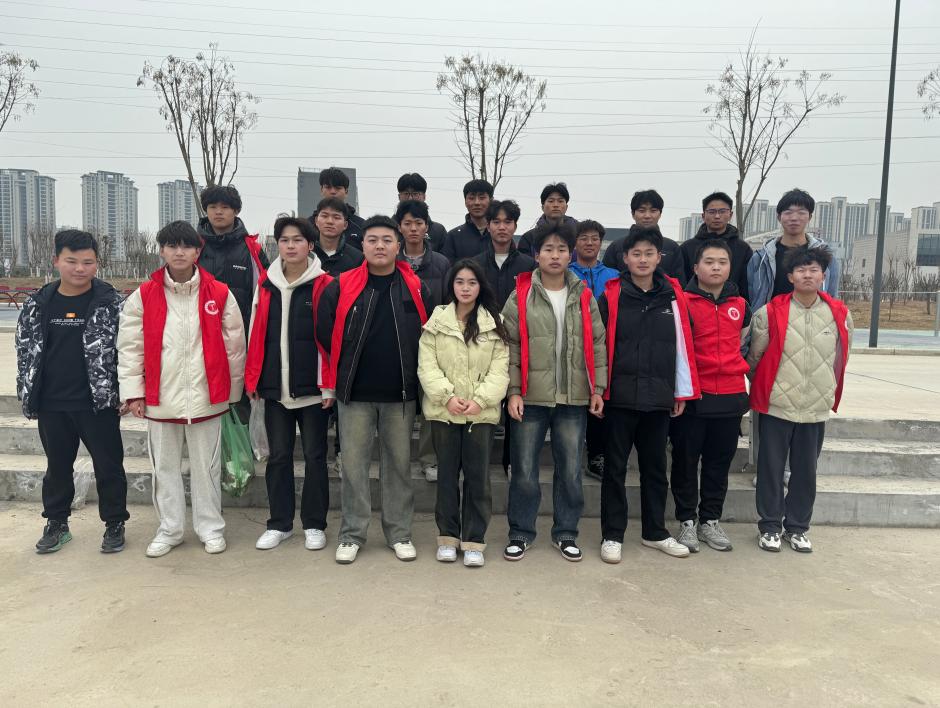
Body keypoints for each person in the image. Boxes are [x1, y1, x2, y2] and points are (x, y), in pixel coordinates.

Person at [118, 221, 246, 558]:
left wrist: (232, 393)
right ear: (161, 250)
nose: (179, 252)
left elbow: (235, 347)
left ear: (198, 251)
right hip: (161, 399)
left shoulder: (219, 293)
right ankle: (170, 530)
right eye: (171, 246)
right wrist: (134, 392)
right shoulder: (144, 295)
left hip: (207, 398)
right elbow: (130, 348)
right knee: (165, 470)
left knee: (208, 469)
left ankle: (210, 528)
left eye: (186, 246)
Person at [316, 215, 433, 565]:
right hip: (355, 394)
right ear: (362, 245)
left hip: (400, 395)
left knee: (398, 466)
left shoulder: (415, 287)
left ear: (399, 246)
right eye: (372, 240)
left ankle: (399, 533)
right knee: (353, 467)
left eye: (386, 240)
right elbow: (325, 333)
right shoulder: (341, 286)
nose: (379, 246)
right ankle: (352, 534)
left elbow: (428, 335)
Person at [16, 229, 129, 554]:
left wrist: (125, 392)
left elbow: (128, 351)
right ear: (56, 261)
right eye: (72, 261)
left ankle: (114, 523)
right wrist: (28, 391)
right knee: (57, 468)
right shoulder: (38, 304)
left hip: (97, 402)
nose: (80, 268)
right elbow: (25, 351)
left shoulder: (112, 303)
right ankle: (56, 523)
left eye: (87, 262)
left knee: (109, 466)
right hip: (52, 402)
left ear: (97, 263)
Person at [501, 219, 607, 563]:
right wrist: (513, 391)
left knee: (571, 471)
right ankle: (520, 531)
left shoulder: (584, 295)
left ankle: (566, 532)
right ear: (536, 255)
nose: (555, 255)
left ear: (570, 254)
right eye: (548, 249)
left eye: (562, 249)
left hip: (573, 398)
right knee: (524, 470)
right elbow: (509, 347)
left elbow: (598, 343)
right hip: (530, 397)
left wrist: (597, 388)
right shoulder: (520, 295)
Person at [597, 227, 700, 562]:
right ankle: (612, 534)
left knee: (655, 469)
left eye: (649, 253)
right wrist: (598, 389)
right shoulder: (612, 295)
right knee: (615, 469)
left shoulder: (674, 296)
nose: (642, 259)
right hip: (619, 397)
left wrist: (681, 391)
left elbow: (683, 346)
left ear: (659, 258)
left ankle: (654, 532)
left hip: (658, 397)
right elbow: (598, 346)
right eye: (636, 254)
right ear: (625, 258)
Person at [747, 247, 853, 553]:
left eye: (814, 270)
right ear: (790, 276)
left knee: (806, 472)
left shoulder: (840, 314)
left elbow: (841, 357)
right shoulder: (769, 313)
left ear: (824, 275)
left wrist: (826, 388)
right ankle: (769, 526)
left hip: (814, 407)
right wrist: (770, 389)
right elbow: (754, 358)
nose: (808, 275)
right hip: (777, 405)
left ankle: (797, 527)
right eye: (801, 270)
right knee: (770, 469)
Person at [244, 216, 334, 552]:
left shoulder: (325, 285)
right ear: (277, 245)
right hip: (275, 389)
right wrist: (253, 377)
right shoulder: (266, 284)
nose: (291, 246)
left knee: (314, 456)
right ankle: (279, 524)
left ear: (310, 245)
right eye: (284, 240)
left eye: (298, 240)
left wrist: (329, 385)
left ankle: (314, 524)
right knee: (278, 457)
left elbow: (332, 340)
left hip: (313, 390)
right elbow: (255, 333)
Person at [418, 259, 510, 567]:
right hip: (444, 412)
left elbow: (500, 369)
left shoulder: (493, 322)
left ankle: (474, 540)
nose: (466, 288)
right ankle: (447, 537)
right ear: (451, 285)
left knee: (477, 478)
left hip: (479, 416)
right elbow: (427, 365)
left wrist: (480, 400)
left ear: (480, 286)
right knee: (446, 476)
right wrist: (447, 397)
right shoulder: (437, 321)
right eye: (460, 282)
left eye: (472, 282)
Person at [745, 188, 842, 482]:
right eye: (788, 211)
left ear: (809, 216)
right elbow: (754, 295)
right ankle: (764, 466)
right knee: (765, 399)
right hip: (772, 330)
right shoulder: (763, 256)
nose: (794, 217)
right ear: (779, 216)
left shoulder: (825, 256)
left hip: (810, 331)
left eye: (801, 212)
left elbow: (832, 295)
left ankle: (792, 469)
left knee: (804, 399)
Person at [670, 239, 751, 553]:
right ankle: (687, 521)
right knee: (686, 462)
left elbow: (742, 343)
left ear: (730, 267)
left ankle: (710, 520)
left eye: (722, 262)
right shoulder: (682, 302)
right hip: (694, 394)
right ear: (695, 267)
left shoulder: (741, 306)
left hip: (730, 395)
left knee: (719, 463)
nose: (716, 267)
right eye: (709, 261)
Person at [473, 199, 536, 476]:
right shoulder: (475, 264)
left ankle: (511, 461)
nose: (502, 227)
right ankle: (477, 463)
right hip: (482, 343)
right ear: (487, 226)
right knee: (483, 401)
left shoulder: (529, 266)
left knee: (515, 401)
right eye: (496, 221)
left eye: (507, 222)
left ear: (515, 226)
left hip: (517, 343)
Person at [395, 199, 452, 483]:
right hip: (396, 342)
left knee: (431, 402)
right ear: (400, 227)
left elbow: (450, 304)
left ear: (427, 227)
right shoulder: (391, 261)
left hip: (433, 344)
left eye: (418, 223)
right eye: (407, 223)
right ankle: (398, 459)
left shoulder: (441, 263)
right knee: (399, 406)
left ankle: (430, 459)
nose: (413, 228)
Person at [569, 219, 619, 482]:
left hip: (605, 345)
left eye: (594, 238)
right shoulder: (565, 272)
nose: (589, 243)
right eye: (583, 238)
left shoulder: (614, 275)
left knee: (600, 400)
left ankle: (597, 455)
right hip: (572, 345)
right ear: (575, 243)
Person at [196, 184, 268, 338]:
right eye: (212, 207)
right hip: (201, 332)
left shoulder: (252, 249)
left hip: (242, 333)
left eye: (225, 207)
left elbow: (265, 292)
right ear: (206, 210)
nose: (218, 212)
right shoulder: (194, 248)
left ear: (236, 211)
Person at [677, 192, 753, 300]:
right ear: (703, 215)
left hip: (732, 305)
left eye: (722, 211)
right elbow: (681, 283)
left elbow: (747, 285)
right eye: (712, 212)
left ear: (730, 215)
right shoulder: (687, 247)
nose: (717, 216)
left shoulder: (743, 249)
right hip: (694, 304)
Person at [602, 189, 682, 279]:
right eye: (642, 211)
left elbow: (680, 283)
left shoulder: (672, 248)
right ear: (633, 214)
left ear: (660, 214)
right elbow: (606, 281)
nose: (647, 216)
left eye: (653, 211)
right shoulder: (616, 247)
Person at [517, 183, 579, 256]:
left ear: (566, 207)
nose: (556, 205)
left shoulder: (579, 235)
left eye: (560, 201)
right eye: (551, 201)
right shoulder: (529, 238)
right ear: (542, 207)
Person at [312, 196, 365, 277]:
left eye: (336, 217)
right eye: (325, 216)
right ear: (316, 221)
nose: (330, 221)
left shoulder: (357, 258)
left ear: (345, 225)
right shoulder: (306, 253)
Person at [441, 179, 493, 261]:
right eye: (471, 198)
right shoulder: (453, 236)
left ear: (491, 200)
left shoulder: (499, 233)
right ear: (465, 201)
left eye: (482, 198)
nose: (477, 203)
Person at [397, 172, 448, 251]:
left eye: (415, 194)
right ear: (399, 196)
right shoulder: (389, 229)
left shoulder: (438, 231)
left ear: (424, 196)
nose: (410, 198)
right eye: (406, 194)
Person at [319, 167, 365, 249]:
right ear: (321, 190)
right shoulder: (309, 225)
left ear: (346, 191)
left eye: (338, 188)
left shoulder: (361, 226)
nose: (333, 191)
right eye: (328, 187)